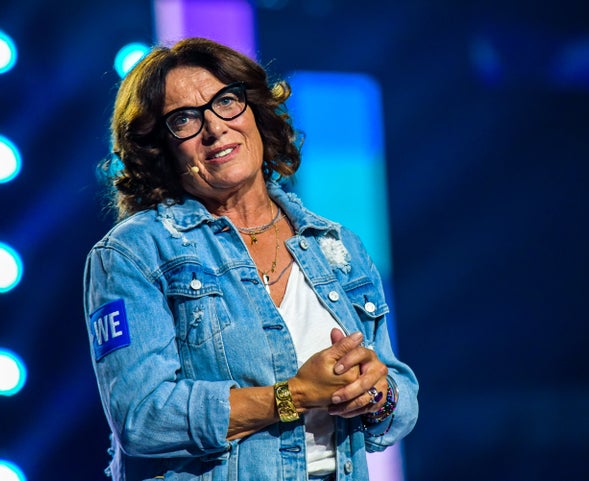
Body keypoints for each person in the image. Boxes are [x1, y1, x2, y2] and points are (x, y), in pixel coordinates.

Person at [83, 37, 418, 481]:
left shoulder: (337, 246)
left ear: (255, 112)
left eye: (226, 102)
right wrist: (293, 396)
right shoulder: (134, 253)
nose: (214, 128)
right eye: (183, 119)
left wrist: (376, 393)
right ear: (158, 148)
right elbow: (142, 418)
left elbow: (401, 401)